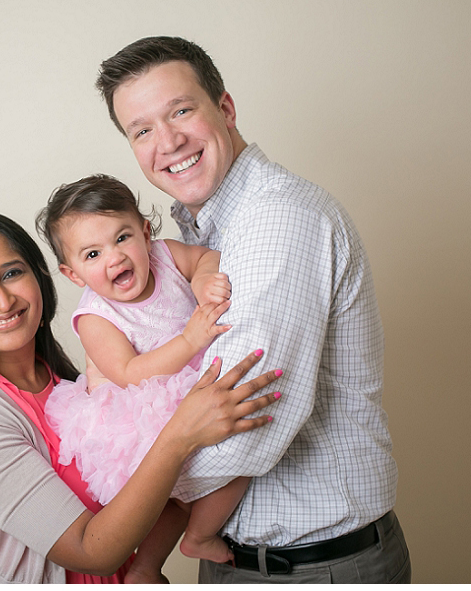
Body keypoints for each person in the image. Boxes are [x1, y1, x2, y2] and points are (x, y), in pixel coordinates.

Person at [95, 36, 411, 583]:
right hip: (238, 557)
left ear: (225, 108)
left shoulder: (275, 222)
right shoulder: (197, 241)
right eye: (141, 130)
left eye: (181, 110)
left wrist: (120, 476)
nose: (166, 142)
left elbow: (243, 432)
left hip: (314, 567)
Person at [0, 210, 282, 583]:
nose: (2, 300)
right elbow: (91, 552)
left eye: (11, 273)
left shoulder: (69, 388)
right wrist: (182, 433)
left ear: (41, 278)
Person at [37, 175, 278, 582]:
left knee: (230, 463)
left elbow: (205, 257)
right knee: (181, 491)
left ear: (146, 233)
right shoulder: (96, 317)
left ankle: (189, 541)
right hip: (137, 412)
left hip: (187, 388)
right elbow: (129, 373)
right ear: (73, 273)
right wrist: (189, 340)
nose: (114, 258)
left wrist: (202, 279)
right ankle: (152, 563)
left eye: (122, 238)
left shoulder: (165, 255)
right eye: (92, 254)